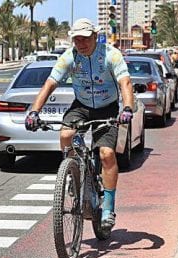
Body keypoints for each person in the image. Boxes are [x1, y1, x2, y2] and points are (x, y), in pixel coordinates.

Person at [24, 18, 134, 230]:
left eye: (85, 38)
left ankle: (109, 207)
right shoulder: (70, 57)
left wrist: (127, 108)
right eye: (76, 39)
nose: (81, 43)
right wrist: (34, 111)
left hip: (107, 106)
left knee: (106, 154)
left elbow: (125, 83)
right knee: (66, 136)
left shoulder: (111, 55)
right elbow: (50, 83)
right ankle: (74, 175)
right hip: (81, 105)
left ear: (95, 36)